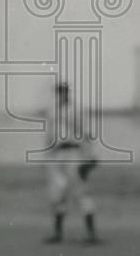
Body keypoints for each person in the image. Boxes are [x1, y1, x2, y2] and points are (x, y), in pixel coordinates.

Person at [42, 81, 100, 244]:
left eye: (64, 92)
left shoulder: (76, 109)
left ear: (68, 93)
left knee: (81, 190)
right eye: (59, 92)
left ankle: (91, 234)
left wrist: (91, 156)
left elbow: (87, 133)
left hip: (74, 152)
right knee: (57, 192)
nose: (62, 95)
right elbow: (49, 136)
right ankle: (58, 233)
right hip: (57, 154)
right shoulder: (52, 111)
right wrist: (47, 156)